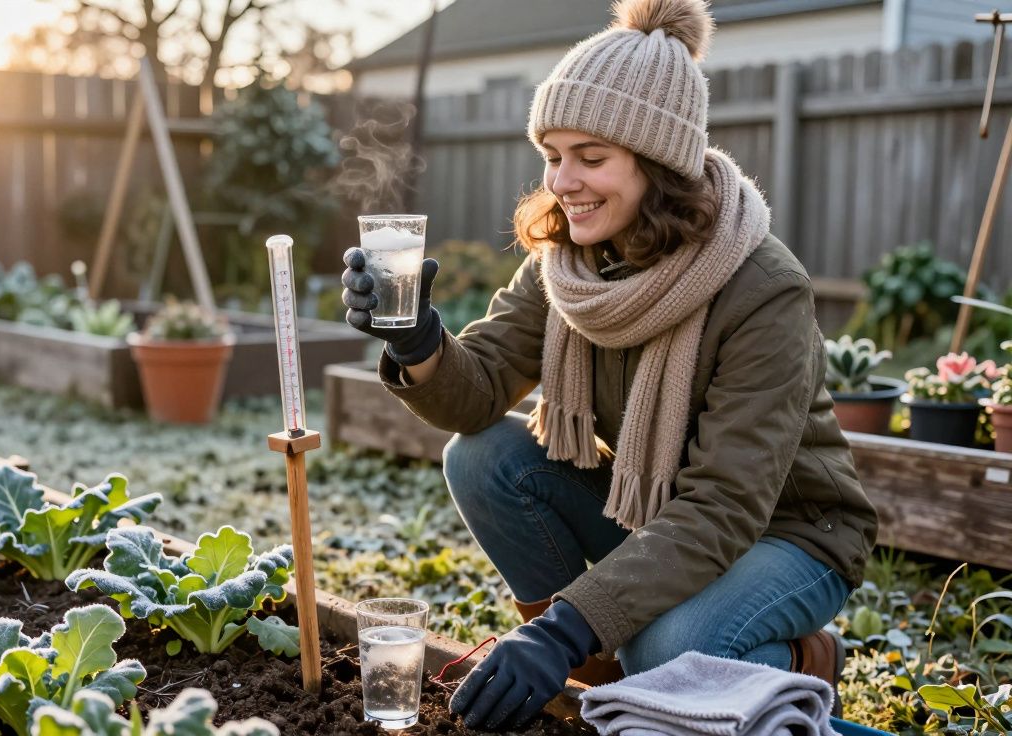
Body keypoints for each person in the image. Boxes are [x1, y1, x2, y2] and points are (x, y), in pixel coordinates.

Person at [341, 0, 879, 731]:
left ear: (660, 165)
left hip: (788, 533)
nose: (562, 182)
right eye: (553, 155)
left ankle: (803, 660)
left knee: (672, 649)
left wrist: (560, 625)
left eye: (591, 158)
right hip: (658, 512)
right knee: (485, 458)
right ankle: (593, 687)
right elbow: (480, 393)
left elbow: (725, 505)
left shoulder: (762, 288)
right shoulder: (569, 265)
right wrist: (416, 341)